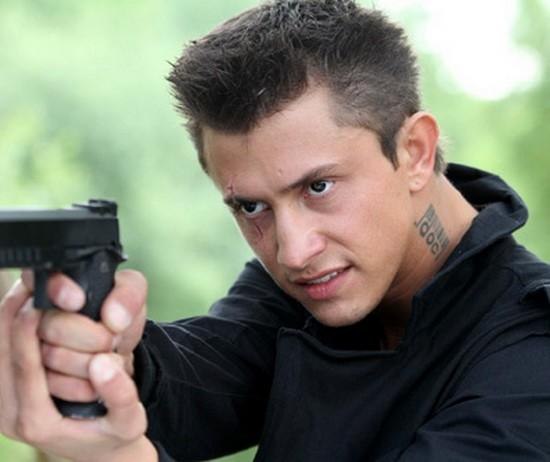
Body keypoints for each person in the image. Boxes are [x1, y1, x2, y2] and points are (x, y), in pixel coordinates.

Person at [2, 1, 550, 461]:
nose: (292, 251)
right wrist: (98, 358)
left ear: (415, 152)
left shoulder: (534, 354)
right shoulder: (312, 287)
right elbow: (201, 376)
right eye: (250, 206)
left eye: (318, 187)